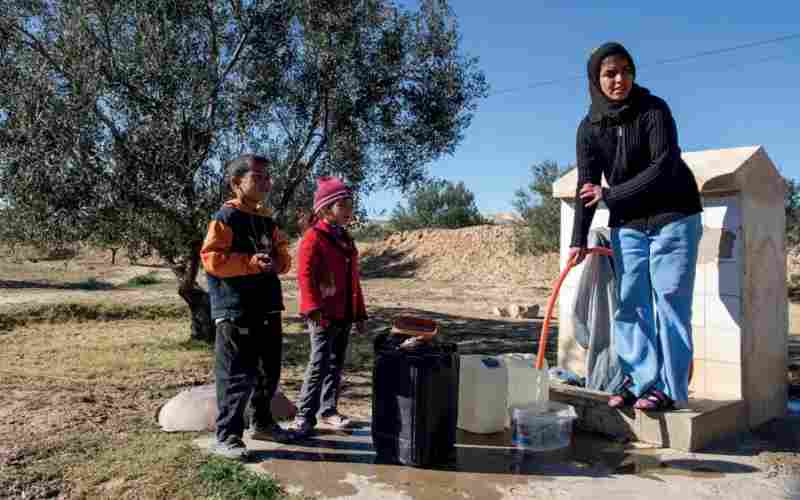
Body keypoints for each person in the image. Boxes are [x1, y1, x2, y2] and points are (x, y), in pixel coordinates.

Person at [569, 42, 703, 411]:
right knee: (631, 305)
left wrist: (611, 195)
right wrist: (578, 239)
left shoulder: (654, 110)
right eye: (610, 73)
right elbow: (586, 186)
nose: (619, 79)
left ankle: (670, 388)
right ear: (596, 79)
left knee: (670, 303)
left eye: (626, 71)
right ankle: (638, 379)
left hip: (674, 217)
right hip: (627, 224)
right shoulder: (589, 127)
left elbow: (663, 166)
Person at [200, 154, 294, 459]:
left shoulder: (267, 219)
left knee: (268, 371)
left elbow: (282, 259)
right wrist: (250, 263)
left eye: (268, 177)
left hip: (267, 306)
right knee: (236, 374)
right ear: (236, 182)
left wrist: (279, 258)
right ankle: (227, 435)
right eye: (258, 177)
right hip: (235, 308)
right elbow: (212, 260)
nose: (266, 182)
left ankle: (263, 423)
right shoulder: (225, 218)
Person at [290, 177, 368, 438]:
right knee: (319, 362)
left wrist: (359, 314)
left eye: (350, 204)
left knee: (336, 364)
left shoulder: (346, 239)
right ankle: (303, 415)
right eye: (342, 205)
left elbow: (353, 280)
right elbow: (305, 275)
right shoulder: (314, 237)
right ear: (325, 209)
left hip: (343, 312)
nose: (349, 210)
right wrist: (313, 309)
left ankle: (328, 410)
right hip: (322, 314)